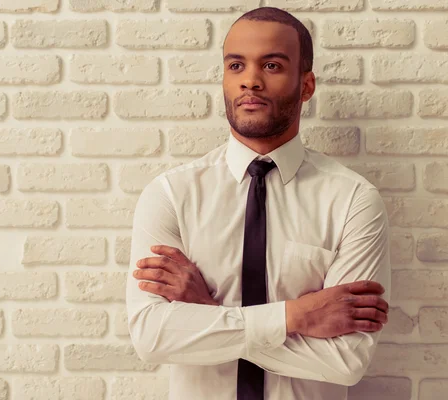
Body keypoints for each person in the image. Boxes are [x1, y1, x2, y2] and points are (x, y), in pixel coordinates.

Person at [125, 6, 391, 400]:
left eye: (271, 65)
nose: (250, 81)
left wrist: (207, 312)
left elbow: (345, 361)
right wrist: (295, 316)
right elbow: (152, 337)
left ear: (306, 86)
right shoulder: (171, 195)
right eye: (236, 66)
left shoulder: (353, 201)